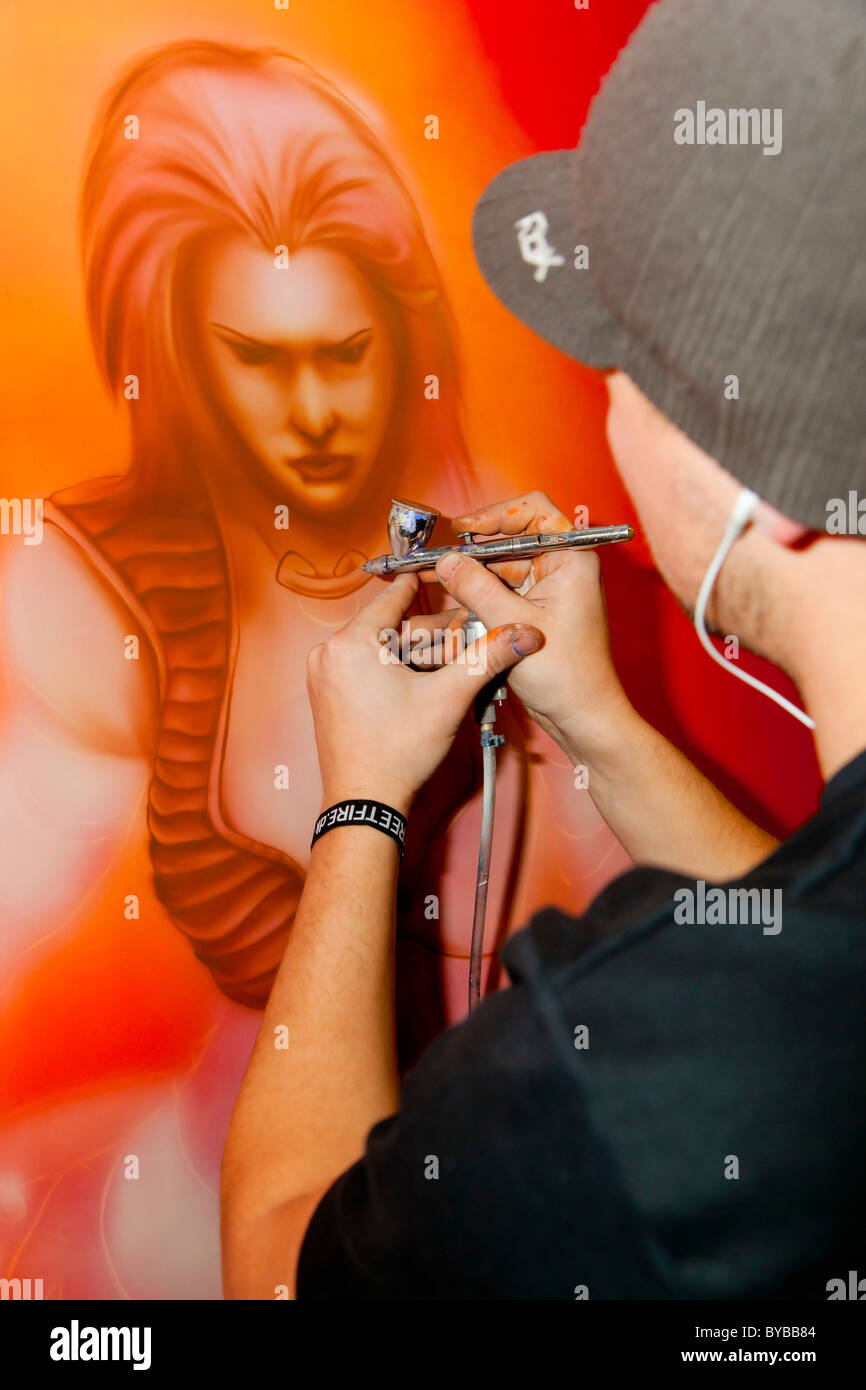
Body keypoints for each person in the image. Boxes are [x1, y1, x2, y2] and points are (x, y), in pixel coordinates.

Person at [220, 0, 866, 1299]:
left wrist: (358, 804)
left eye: (617, 350)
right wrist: (599, 720)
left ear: (763, 470)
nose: (607, 404)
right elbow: (816, 969)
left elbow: (276, 1261)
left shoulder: (606, 1096)